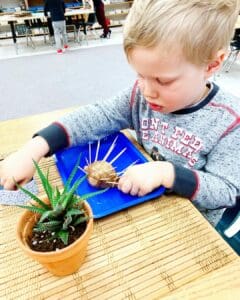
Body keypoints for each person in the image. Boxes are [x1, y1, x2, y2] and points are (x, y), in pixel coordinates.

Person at [0, 0, 240, 227]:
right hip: (139, 209)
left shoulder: (229, 122)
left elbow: (226, 191)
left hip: (191, 226)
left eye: (163, 81)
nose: (147, 91)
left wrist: (167, 173)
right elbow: (98, 116)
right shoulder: (139, 95)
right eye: (140, 75)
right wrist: (36, 147)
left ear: (212, 65)